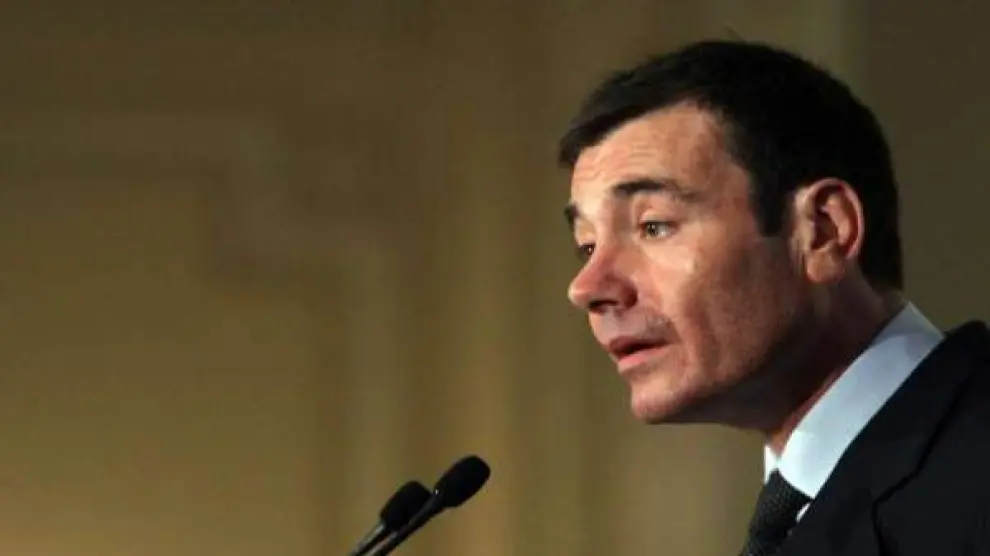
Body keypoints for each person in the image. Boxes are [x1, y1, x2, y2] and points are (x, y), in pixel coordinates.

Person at [558, 39, 990, 556]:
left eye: (653, 226)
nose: (586, 287)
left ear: (823, 231)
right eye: (587, 245)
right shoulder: (807, 507)